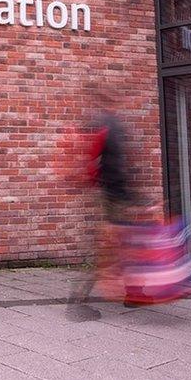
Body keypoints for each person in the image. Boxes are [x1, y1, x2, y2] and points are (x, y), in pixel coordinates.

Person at [66, 86, 138, 320]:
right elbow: (113, 166)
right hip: (111, 196)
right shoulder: (111, 126)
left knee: (120, 246)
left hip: (108, 193)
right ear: (114, 101)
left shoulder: (101, 124)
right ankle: (76, 302)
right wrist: (129, 197)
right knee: (107, 249)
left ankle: (132, 293)